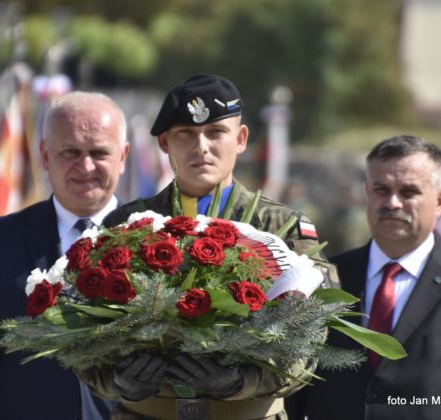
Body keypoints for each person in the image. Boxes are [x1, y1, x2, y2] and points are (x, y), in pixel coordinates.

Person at [80, 73, 338, 419]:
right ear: (164, 143)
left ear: (241, 138)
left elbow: (312, 336)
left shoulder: (282, 227)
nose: (201, 146)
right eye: (186, 134)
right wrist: (117, 381)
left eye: (216, 132)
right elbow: (83, 333)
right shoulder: (125, 226)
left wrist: (240, 381)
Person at [0, 91, 130, 420]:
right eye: (70, 152)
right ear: (45, 155)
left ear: (122, 156)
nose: (85, 166)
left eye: (99, 152)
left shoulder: (157, 241)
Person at [288, 135, 441, 420]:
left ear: (440, 201)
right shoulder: (322, 278)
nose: (393, 202)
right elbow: (295, 389)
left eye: (408, 192)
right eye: (382, 189)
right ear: (367, 192)